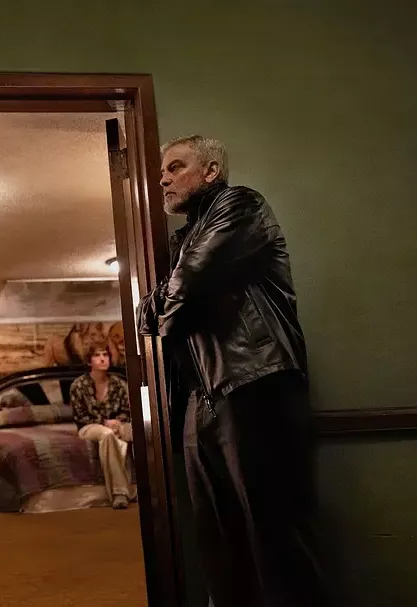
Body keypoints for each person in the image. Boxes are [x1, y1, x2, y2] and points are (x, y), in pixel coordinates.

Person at [138, 135, 324, 606]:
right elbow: (149, 316)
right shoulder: (183, 240)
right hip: (200, 402)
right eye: (162, 171)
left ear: (210, 171)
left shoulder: (240, 205)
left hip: (254, 382)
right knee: (220, 550)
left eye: (175, 167)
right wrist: (171, 297)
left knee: (276, 541)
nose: (163, 179)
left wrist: (170, 297)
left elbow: (188, 285)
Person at [69, 342, 134, 510]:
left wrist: (117, 422)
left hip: (117, 424)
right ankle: (119, 492)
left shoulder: (118, 383)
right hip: (89, 426)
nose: (102, 359)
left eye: (105, 355)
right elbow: (80, 416)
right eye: (97, 355)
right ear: (89, 361)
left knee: (136, 432)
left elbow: (127, 410)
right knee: (107, 435)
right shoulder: (78, 385)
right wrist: (105, 422)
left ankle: (150, 485)